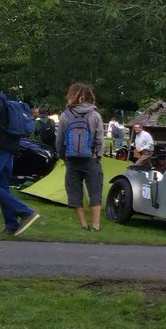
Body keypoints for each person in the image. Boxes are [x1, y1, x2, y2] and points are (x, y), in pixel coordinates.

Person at [0, 72, 41, 236]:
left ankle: (25, 212)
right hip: (10, 144)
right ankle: (11, 225)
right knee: (3, 185)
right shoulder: (0, 96)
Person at [55, 83, 105, 232]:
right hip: (91, 158)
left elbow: (59, 140)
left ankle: (83, 224)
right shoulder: (95, 115)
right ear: (89, 95)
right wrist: (99, 155)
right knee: (95, 191)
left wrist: (62, 156)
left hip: (71, 159)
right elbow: (100, 139)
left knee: (74, 191)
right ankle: (96, 225)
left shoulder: (65, 116)